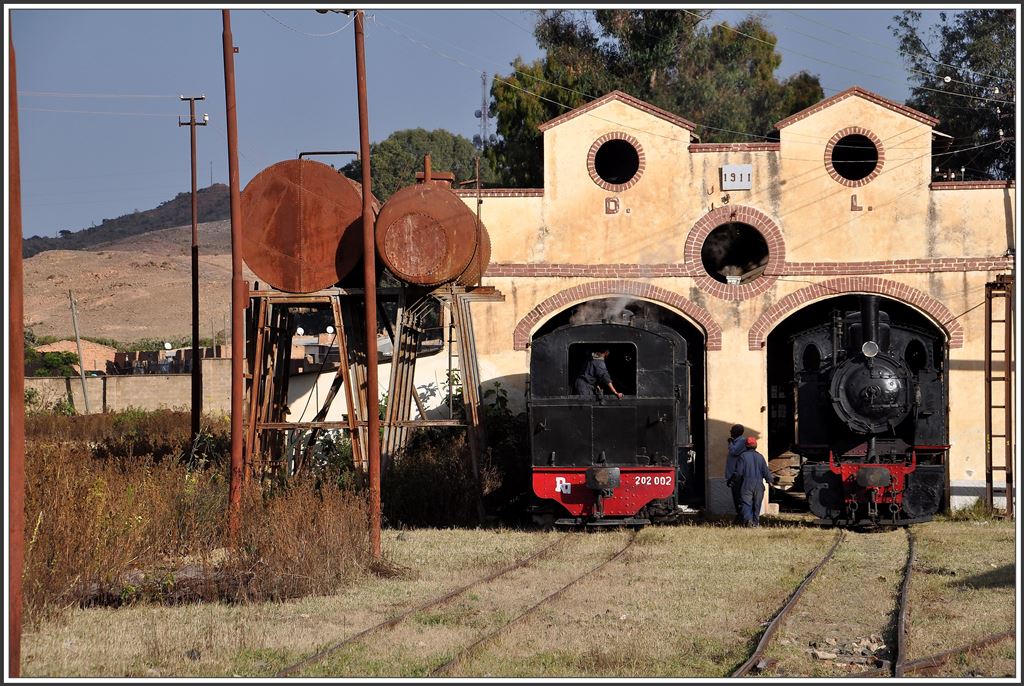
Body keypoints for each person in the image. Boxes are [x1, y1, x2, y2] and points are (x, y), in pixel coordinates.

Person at [725, 436, 778, 527]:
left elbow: (738, 472)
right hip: (759, 485)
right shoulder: (760, 457)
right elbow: (766, 472)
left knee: (746, 504)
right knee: (757, 505)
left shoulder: (743, 456)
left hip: (746, 484)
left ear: (746, 446)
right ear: (755, 446)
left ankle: (749, 520)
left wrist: (732, 481)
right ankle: (755, 523)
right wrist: (771, 484)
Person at [724, 424, 746, 524]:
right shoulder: (737, 441)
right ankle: (740, 516)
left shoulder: (741, 441)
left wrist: (730, 442)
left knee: (738, 497)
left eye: (732, 430)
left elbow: (734, 452)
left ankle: (741, 517)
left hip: (736, 475)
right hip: (732, 474)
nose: (730, 431)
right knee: (736, 496)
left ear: (737, 432)